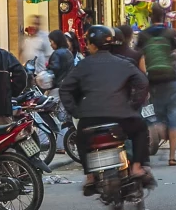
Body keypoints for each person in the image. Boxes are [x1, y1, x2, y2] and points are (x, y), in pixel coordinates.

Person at [58, 25, 152, 183]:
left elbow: (65, 89)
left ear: (93, 45)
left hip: (90, 119)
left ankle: (89, 176)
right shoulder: (125, 63)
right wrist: (134, 105)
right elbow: (143, 83)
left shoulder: (83, 65)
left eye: (88, 43)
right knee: (141, 129)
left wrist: (75, 110)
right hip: (122, 116)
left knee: (81, 139)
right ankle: (136, 166)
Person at [137, 5, 176, 166]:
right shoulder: (171, 34)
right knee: (175, 116)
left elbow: (138, 57)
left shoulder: (143, 36)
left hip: (153, 81)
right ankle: (172, 157)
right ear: (165, 17)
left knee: (158, 115)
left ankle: (160, 129)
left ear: (150, 17)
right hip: (172, 80)